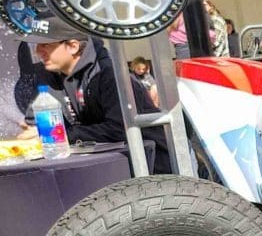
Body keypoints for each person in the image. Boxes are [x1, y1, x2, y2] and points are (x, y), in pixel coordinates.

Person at [22, 13, 171, 173]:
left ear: (73, 46)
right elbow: (34, 125)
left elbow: (121, 128)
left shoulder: (110, 75)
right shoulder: (50, 75)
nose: (38, 51)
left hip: (152, 169)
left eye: (45, 45)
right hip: (107, 169)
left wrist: (66, 134)